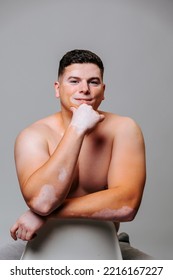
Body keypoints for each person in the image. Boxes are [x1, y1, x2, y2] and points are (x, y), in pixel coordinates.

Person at [10, 49, 149, 259]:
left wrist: (43, 216)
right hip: (40, 244)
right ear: (58, 89)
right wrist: (77, 129)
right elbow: (42, 202)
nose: (84, 89)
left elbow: (127, 205)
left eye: (93, 82)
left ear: (103, 90)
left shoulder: (124, 129)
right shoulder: (33, 136)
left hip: (104, 244)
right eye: (74, 81)